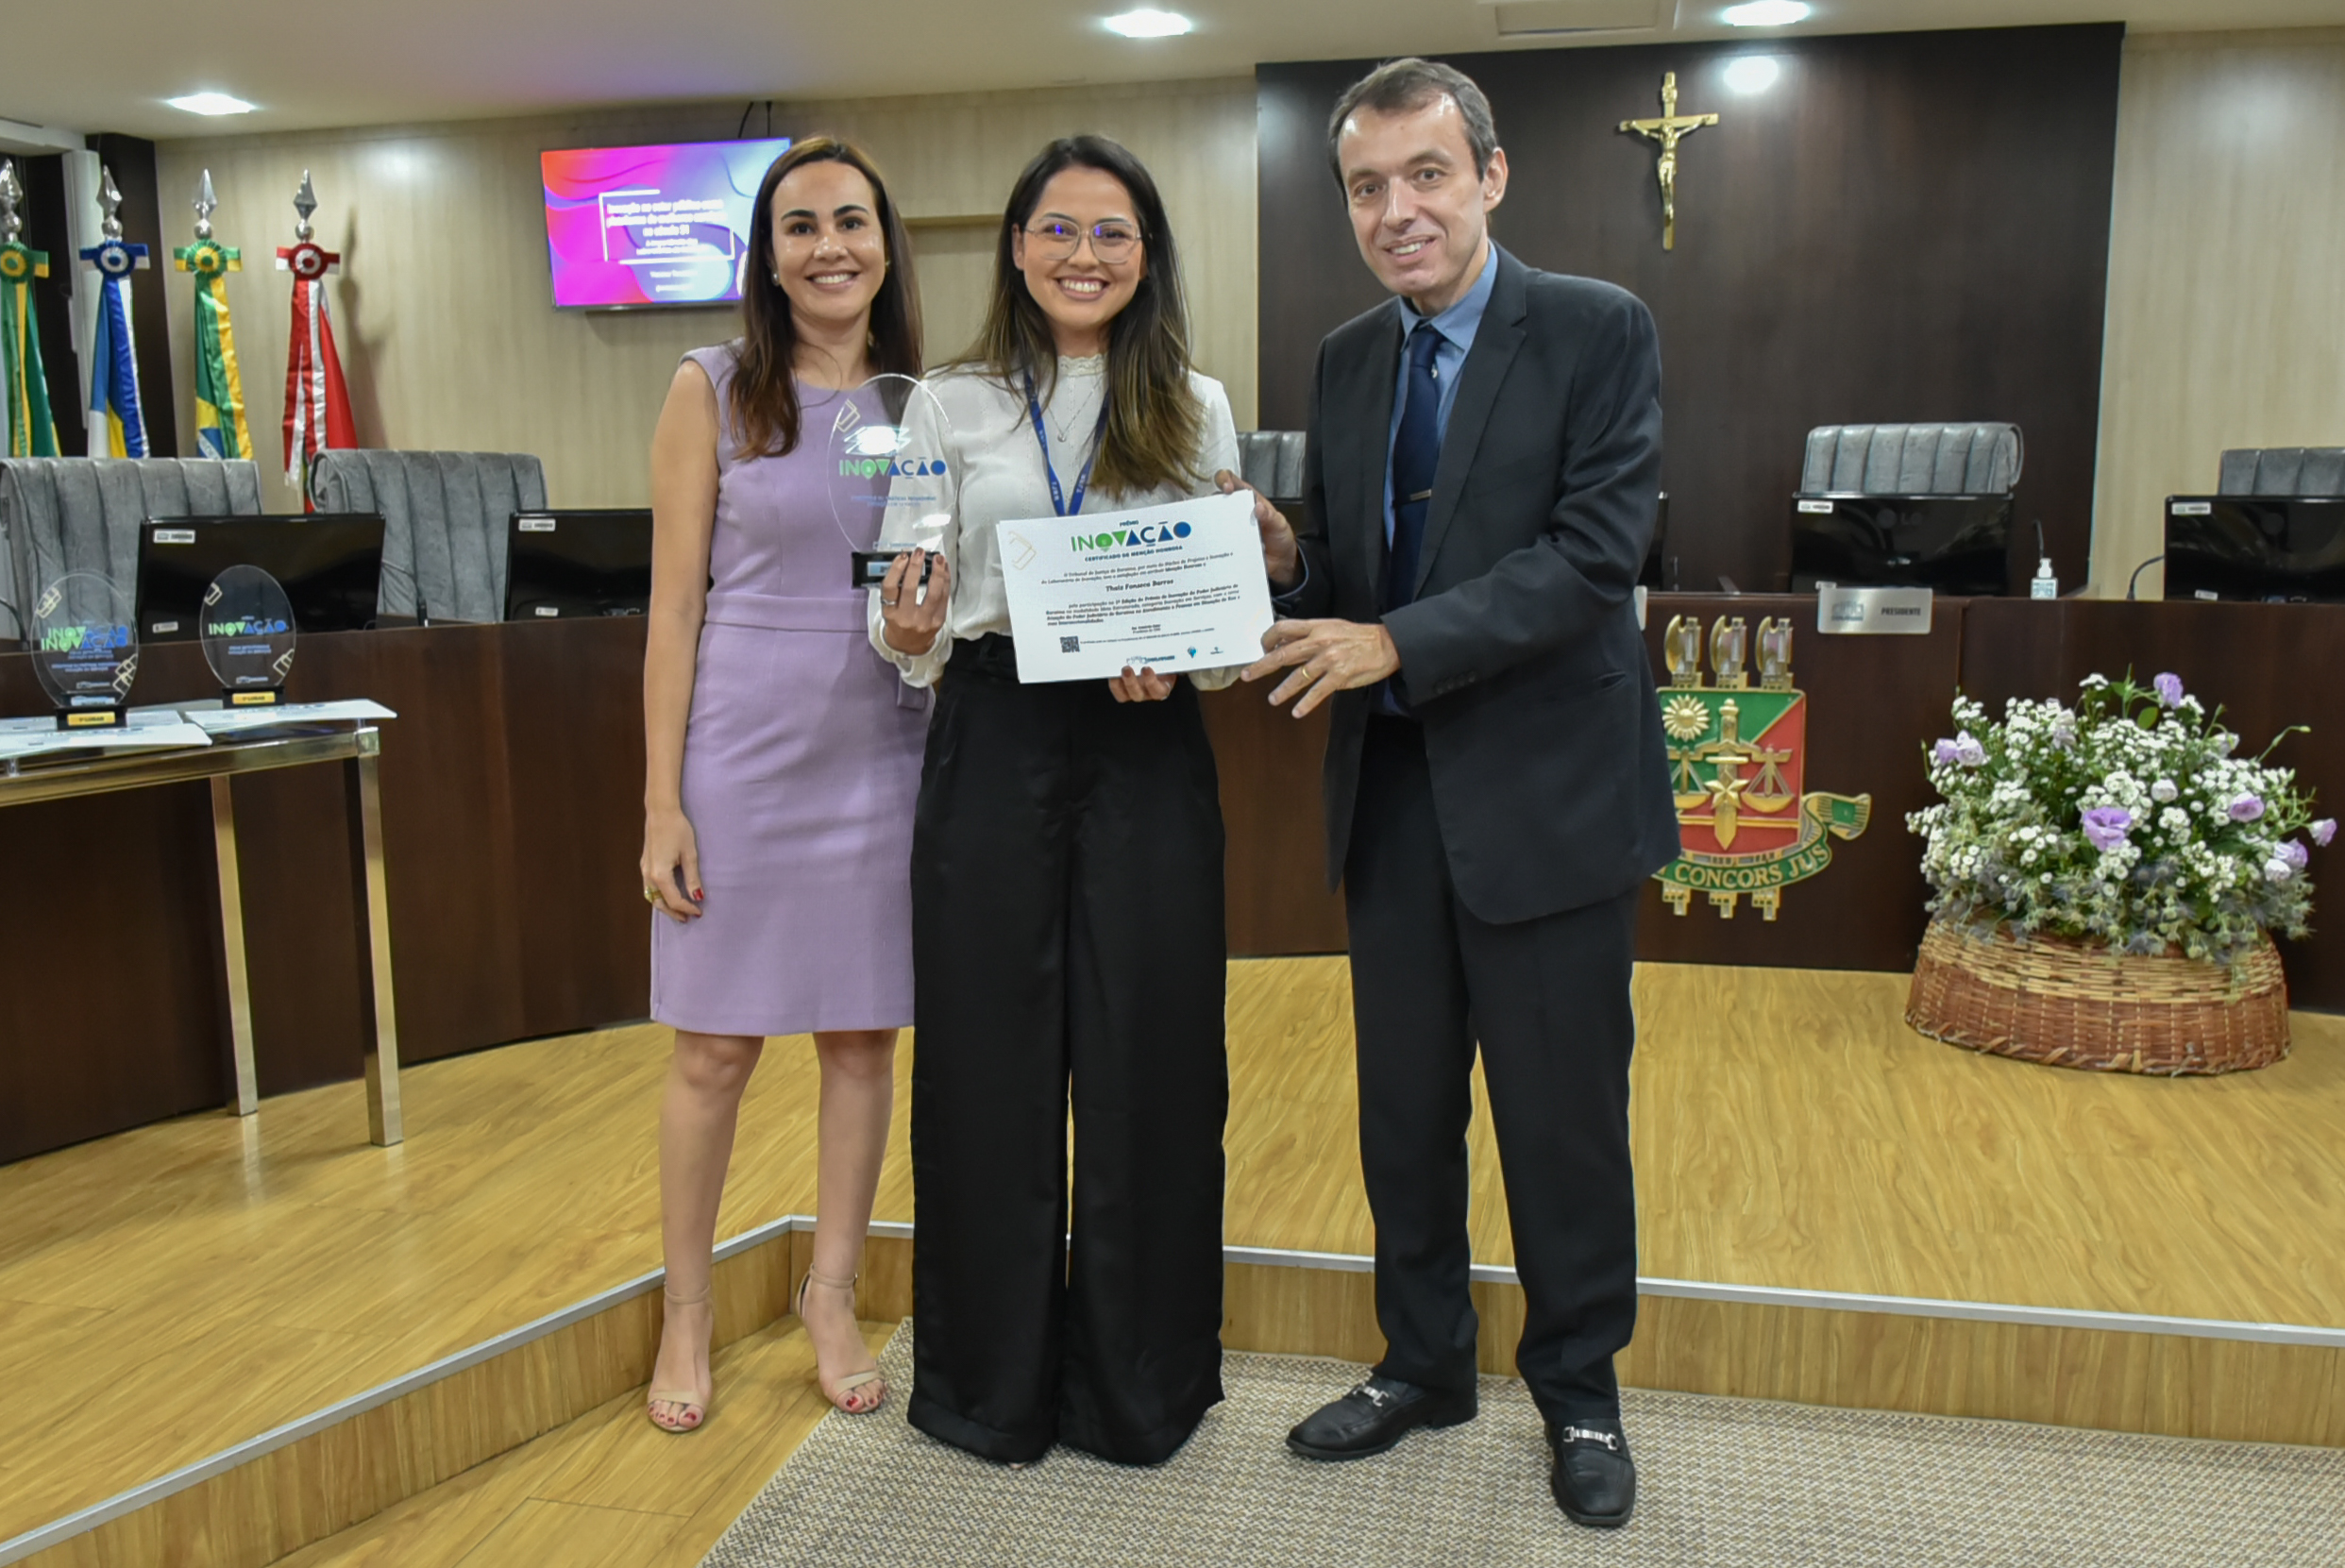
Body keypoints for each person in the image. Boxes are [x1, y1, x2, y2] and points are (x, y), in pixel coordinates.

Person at [1240, 59, 1678, 1528]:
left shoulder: (1598, 330)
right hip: (1397, 794)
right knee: (1402, 1113)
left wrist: (1389, 640)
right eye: (1367, 186)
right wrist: (1293, 564)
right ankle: (1423, 1361)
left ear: (1491, 176)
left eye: (1426, 175)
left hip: (1547, 793)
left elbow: (1591, 556)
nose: (1396, 211)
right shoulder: (1347, 356)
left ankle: (1581, 1391)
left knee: (1561, 1119)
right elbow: (1359, 571)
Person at [869, 134, 1246, 1467]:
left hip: (1146, 746)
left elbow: (1221, 598)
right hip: (994, 729)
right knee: (986, 1059)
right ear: (1017, 246)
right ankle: (988, 1384)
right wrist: (903, 616)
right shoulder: (946, 405)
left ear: (1148, 258)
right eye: (1059, 229)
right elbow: (902, 605)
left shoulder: (1196, 403)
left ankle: (1142, 1386)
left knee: (1151, 1056)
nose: (1084, 255)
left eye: (1113, 233)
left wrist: (1186, 647)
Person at [639, 137, 928, 1433]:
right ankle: (686, 1311)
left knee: (863, 1038)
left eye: (852, 220)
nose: (830, 245)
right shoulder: (710, 388)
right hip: (742, 753)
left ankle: (831, 1292)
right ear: (767, 252)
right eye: (800, 223)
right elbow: (672, 609)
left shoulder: (926, 401)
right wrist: (662, 800)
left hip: (887, 743)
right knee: (714, 1049)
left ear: (886, 240)